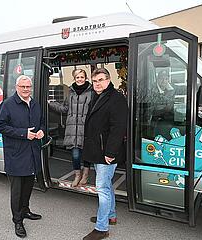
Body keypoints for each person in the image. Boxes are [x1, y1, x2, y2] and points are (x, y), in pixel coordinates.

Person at [0, 75, 44, 238]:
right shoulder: (8, 104)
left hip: (32, 154)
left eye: (28, 86)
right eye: (22, 86)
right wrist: (24, 134)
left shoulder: (35, 104)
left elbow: (41, 122)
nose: (25, 89)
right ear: (17, 87)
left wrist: (42, 130)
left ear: (31, 87)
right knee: (17, 192)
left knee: (28, 188)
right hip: (16, 155)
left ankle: (25, 211)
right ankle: (17, 221)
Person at [82, 68, 128, 240]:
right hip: (97, 150)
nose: (97, 84)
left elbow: (118, 128)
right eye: (94, 81)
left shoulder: (116, 98)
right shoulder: (97, 96)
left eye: (101, 80)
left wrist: (110, 152)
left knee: (102, 188)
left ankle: (102, 228)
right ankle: (111, 215)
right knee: (106, 186)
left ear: (109, 80)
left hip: (106, 153)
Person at [49, 69, 92, 187]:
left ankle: (86, 174)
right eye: (77, 77)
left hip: (86, 127)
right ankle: (77, 175)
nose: (80, 79)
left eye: (82, 77)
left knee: (87, 153)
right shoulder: (70, 93)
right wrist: (51, 103)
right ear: (74, 79)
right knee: (75, 154)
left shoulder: (91, 93)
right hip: (72, 129)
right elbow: (64, 109)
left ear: (86, 78)